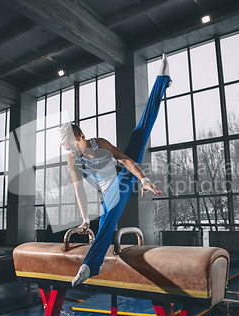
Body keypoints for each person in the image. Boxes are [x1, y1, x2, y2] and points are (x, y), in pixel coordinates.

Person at [59, 54, 171, 286]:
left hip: (125, 178)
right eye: (68, 149)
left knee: (139, 135)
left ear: (82, 136)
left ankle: (161, 82)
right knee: (107, 217)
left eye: (73, 146)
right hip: (109, 194)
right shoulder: (73, 159)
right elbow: (79, 190)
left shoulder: (99, 143)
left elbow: (126, 159)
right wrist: (84, 219)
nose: (73, 152)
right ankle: (92, 263)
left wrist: (144, 179)